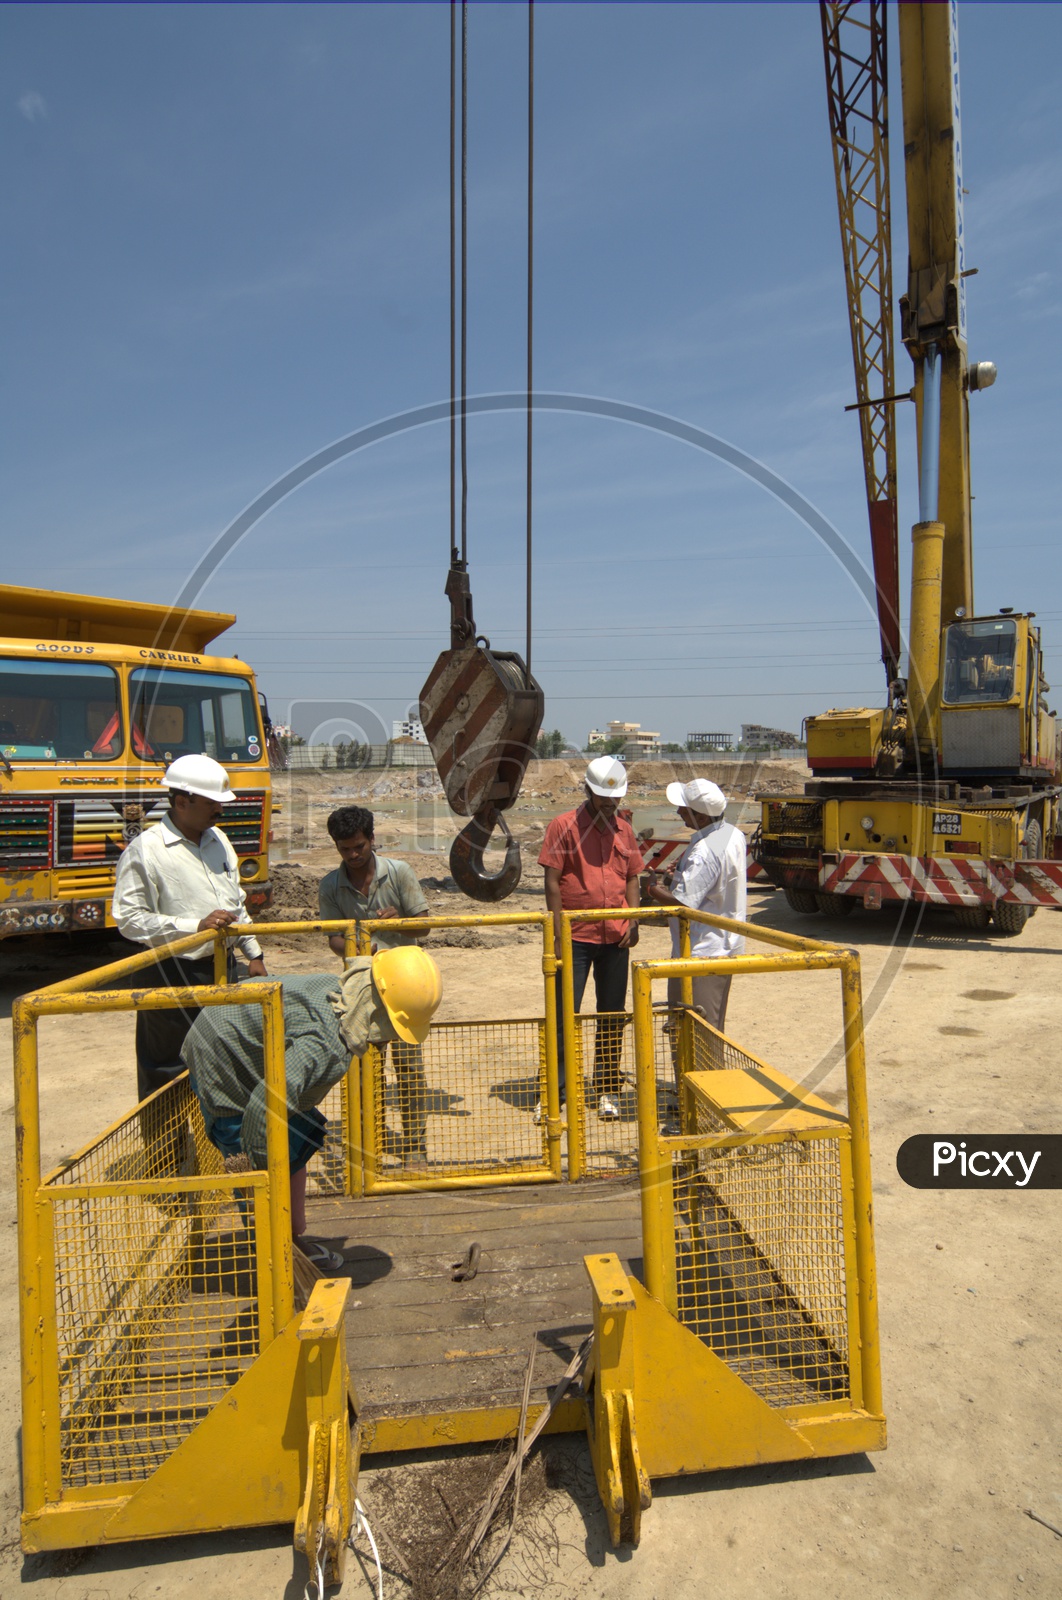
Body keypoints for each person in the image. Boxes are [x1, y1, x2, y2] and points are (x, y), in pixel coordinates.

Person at [183, 947, 443, 1272]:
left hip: (246, 1046)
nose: (387, 1042)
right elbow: (265, 1104)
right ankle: (276, 1266)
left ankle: (291, 1238)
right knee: (258, 1173)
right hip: (223, 1058)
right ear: (376, 1014)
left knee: (297, 1139)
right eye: (391, 1030)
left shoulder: (341, 994)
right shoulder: (326, 1044)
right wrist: (259, 1171)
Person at [112, 753, 268, 1110]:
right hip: (170, 971)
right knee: (167, 1069)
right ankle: (164, 1161)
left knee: (219, 1060)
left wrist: (253, 952)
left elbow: (235, 902)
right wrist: (192, 928)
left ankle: (210, 1154)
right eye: (213, 803)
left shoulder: (219, 841)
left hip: (220, 970)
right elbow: (129, 918)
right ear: (182, 802)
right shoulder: (146, 851)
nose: (220, 810)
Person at [318, 805, 432, 1159]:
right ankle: (373, 1139)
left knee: (410, 1070)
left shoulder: (399, 874)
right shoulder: (330, 886)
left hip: (406, 989)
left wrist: (399, 921)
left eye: (358, 847)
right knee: (367, 1071)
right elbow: (333, 939)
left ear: (372, 839)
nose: (352, 855)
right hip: (362, 990)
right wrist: (354, 944)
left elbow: (424, 925)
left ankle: (415, 1145)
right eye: (344, 849)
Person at [538, 756, 644, 1121]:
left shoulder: (624, 830)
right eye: (604, 800)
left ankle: (607, 1089)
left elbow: (632, 877)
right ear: (588, 791)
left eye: (614, 801)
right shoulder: (563, 826)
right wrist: (556, 932)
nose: (610, 807)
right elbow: (552, 882)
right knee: (564, 1013)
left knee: (612, 1015)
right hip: (575, 937)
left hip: (615, 935)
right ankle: (557, 1090)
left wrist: (633, 919)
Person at [644, 778, 746, 1034]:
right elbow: (711, 884)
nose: (679, 813)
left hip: (701, 950)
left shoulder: (705, 850)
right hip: (722, 944)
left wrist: (654, 888)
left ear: (700, 817)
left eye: (684, 809)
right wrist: (679, 875)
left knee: (695, 1028)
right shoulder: (731, 834)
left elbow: (682, 903)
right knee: (707, 1022)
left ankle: (695, 1074)